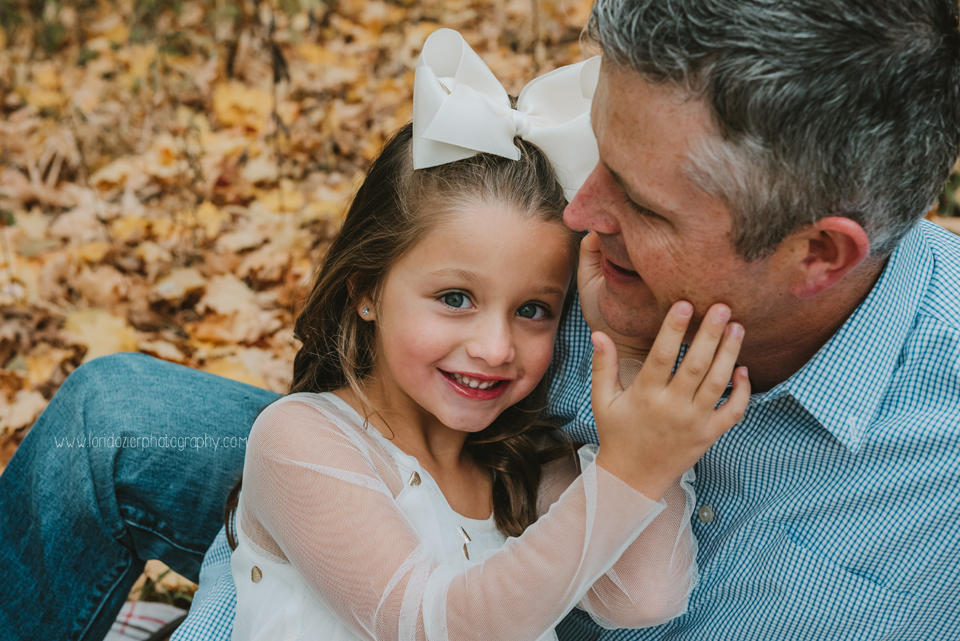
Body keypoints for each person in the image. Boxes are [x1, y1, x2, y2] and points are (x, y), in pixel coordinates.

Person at [1, 0, 959, 639]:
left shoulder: (935, 453)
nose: (579, 213)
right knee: (112, 416)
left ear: (819, 254)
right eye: (597, 158)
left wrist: (634, 468)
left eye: (639, 205)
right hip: (439, 521)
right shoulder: (569, 240)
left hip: (519, 560)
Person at [190, 34, 750, 634]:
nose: (495, 348)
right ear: (366, 292)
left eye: (533, 310)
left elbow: (643, 597)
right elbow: (435, 625)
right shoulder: (302, 440)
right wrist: (628, 475)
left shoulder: (521, 469)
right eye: (455, 299)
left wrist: (631, 353)